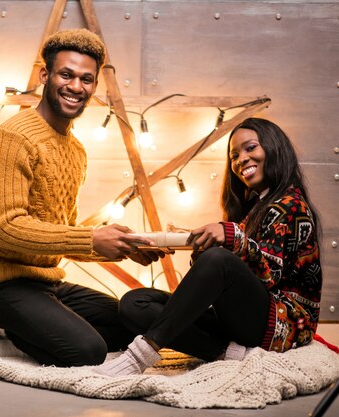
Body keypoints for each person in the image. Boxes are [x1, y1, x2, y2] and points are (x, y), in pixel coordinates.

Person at [0, 28, 164, 367]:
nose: (76, 87)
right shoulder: (13, 136)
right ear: (46, 75)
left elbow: (60, 233)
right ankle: (10, 339)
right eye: (66, 74)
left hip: (45, 284)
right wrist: (91, 238)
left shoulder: (76, 151)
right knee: (89, 350)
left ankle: (36, 327)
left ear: (94, 86)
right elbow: (4, 228)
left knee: (135, 326)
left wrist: (122, 246)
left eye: (86, 79)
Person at [96, 117, 323, 376]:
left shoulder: (292, 205)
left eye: (251, 148)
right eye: (234, 156)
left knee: (218, 260)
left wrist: (228, 238)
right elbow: (240, 273)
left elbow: (270, 275)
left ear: (274, 148)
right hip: (240, 323)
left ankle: (139, 357)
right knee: (134, 303)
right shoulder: (255, 208)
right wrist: (206, 250)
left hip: (281, 326)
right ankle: (226, 353)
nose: (241, 160)